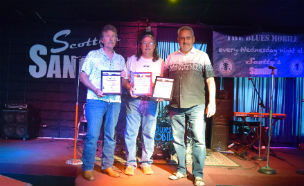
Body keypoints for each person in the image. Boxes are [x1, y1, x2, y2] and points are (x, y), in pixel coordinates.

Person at [165, 26, 216, 186]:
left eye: (188, 37)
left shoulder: (202, 56)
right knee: (178, 140)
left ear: (193, 39)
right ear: (178, 40)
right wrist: (160, 95)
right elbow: (164, 80)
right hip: (175, 105)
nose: (185, 40)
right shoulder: (171, 58)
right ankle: (181, 169)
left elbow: (210, 80)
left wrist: (212, 102)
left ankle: (198, 174)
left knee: (199, 140)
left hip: (197, 104)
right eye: (182, 38)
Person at [80, 24, 128, 181]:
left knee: (110, 135)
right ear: (101, 40)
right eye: (107, 36)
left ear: (116, 40)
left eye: (113, 36)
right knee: (93, 135)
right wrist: (95, 89)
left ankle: (107, 165)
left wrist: (123, 77)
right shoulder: (93, 55)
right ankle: (87, 167)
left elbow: (123, 82)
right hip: (96, 100)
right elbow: (83, 76)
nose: (111, 39)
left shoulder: (120, 59)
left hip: (114, 101)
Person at [123, 32, 165, 176]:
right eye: (144, 43)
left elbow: (163, 83)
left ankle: (146, 162)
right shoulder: (131, 60)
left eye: (150, 43)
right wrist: (129, 87)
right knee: (131, 132)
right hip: (134, 101)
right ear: (140, 45)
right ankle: (130, 163)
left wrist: (161, 94)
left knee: (148, 133)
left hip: (151, 102)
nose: (147, 46)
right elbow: (124, 80)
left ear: (154, 46)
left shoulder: (160, 62)